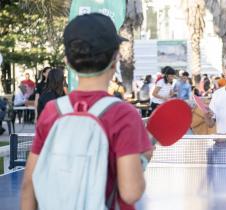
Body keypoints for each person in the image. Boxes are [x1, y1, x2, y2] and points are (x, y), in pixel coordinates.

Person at [21, 13, 153, 210]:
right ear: (115, 59)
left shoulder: (52, 111)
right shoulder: (123, 114)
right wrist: (143, 158)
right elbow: (131, 191)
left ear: (67, 61)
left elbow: (28, 185)